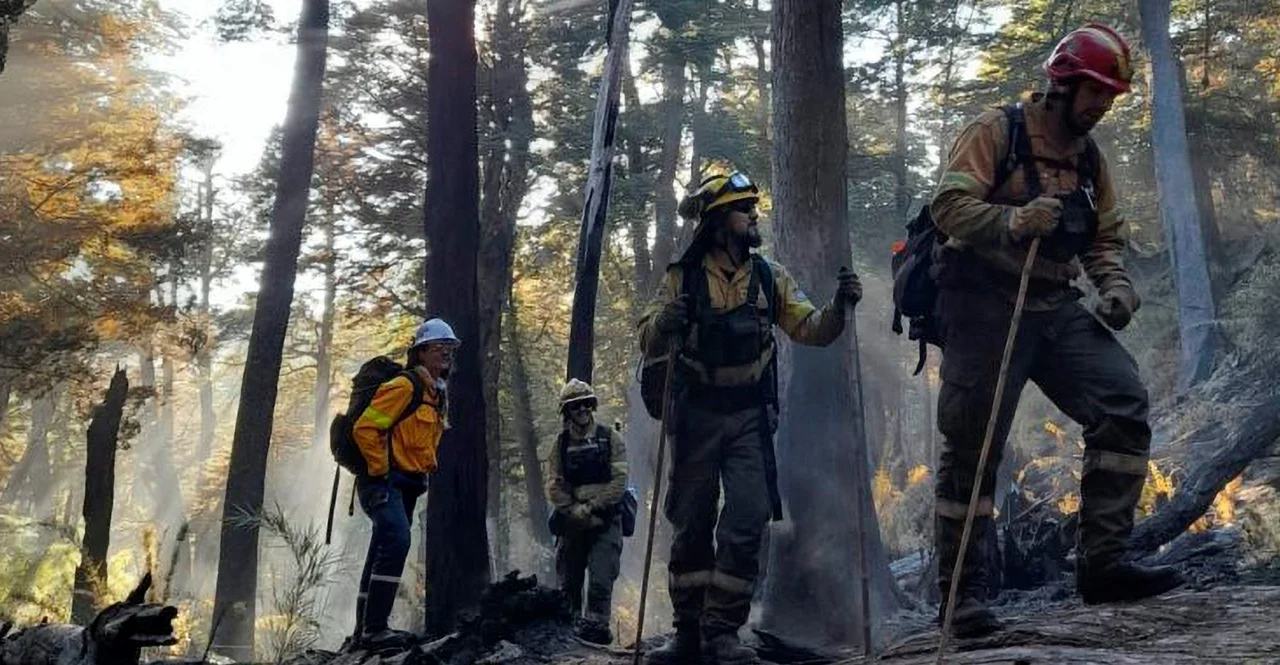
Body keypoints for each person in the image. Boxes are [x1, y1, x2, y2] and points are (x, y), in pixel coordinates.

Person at [928, 23, 1183, 638]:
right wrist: (1013, 221)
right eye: (1095, 92)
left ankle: (1103, 564)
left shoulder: (1090, 159)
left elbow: (1104, 239)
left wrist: (1115, 288)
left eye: (1110, 96)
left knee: (1122, 402)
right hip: (984, 304)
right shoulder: (997, 131)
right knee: (973, 448)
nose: (1103, 105)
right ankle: (961, 598)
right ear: (1063, 83)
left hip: (1053, 303)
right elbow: (947, 206)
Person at [636, 171, 862, 665]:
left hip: (747, 418)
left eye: (752, 207)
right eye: (744, 209)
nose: (753, 215)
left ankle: (723, 632)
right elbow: (647, 337)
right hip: (696, 416)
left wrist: (840, 307)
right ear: (719, 222)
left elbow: (810, 328)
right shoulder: (682, 278)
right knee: (691, 520)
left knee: (748, 516)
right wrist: (663, 323)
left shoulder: (768, 276)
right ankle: (687, 633)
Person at [350, 318, 460, 646]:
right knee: (397, 541)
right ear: (420, 351)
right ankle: (375, 629)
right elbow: (365, 428)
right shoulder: (404, 387)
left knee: (382, 546)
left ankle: (363, 631)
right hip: (384, 481)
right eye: (439, 346)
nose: (446, 351)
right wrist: (380, 470)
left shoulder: (435, 394)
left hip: (407, 484)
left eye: (450, 346)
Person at [545, 378, 628, 645]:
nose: (581, 409)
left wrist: (592, 508)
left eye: (585, 404)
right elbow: (554, 485)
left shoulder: (611, 438)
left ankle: (596, 632)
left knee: (601, 579)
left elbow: (619, 482)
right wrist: (574, 511)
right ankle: (568, 638)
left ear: (592, 405)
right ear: (566, 411)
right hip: (572, 525)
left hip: (606, 521)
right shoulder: (560, 445)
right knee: (568, 584)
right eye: (575, 406)